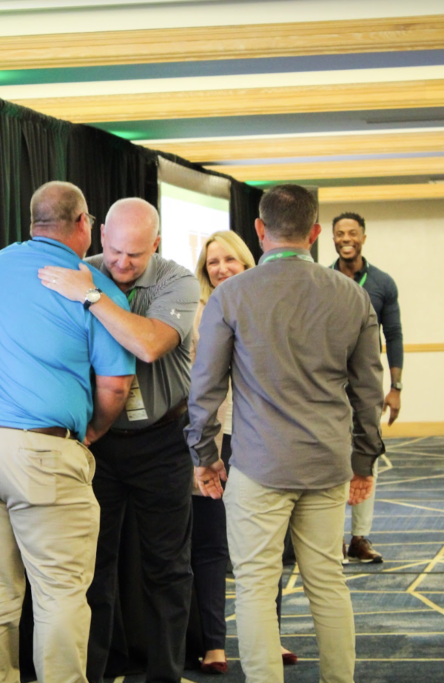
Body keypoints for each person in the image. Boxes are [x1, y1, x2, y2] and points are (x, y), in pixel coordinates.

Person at [186, 184, 385, 683]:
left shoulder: (230, 296)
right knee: (328, 583)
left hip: (257, 466)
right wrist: (364, 464)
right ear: (316, 233)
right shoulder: (353, 297)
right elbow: (367, 392)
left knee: (254, 584)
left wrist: (204, 456)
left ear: (259, 230)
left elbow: (205, 389)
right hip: (326, 464)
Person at [0, 181, 136, 683]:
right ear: (82, 223)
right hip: (38, 450)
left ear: (33, 223)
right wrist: (90, 432)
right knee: (60, 592)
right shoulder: (94, 287)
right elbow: (115, 387)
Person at [38, 197, 200, 683]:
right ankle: (96, 672)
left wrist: (93, 297)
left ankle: (165, 674)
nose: (122, 264)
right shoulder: (81, 269)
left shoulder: (177, 280)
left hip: (163, 440)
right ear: (101, 234)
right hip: (99, 441)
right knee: (92, 566)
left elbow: (148, 344)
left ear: (156, 243)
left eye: (135, 255)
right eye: (113, 253)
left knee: (167, 568)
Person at [189, 232, 298, 673]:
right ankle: (215, 643)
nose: (220, 268)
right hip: (212, 439)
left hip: (259, 438)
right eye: (212, 262)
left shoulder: (266, 305)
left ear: (247, 261)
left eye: (228, 259)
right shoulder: (198, 313)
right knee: (212, 544)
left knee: (265, 546)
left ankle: (270, 637)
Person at [332, 211, 403, 564]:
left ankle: (360, 537)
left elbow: (394, 334)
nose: (346, 238)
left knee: (367, 454)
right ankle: (334, 539)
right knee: (332, 457)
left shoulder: (382, 283)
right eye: (340, 233)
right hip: (328, 386)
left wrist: (397, 387)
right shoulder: (324, 280)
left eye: (352, 233)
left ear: (363, 237)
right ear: (331, 239)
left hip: (369, 386)